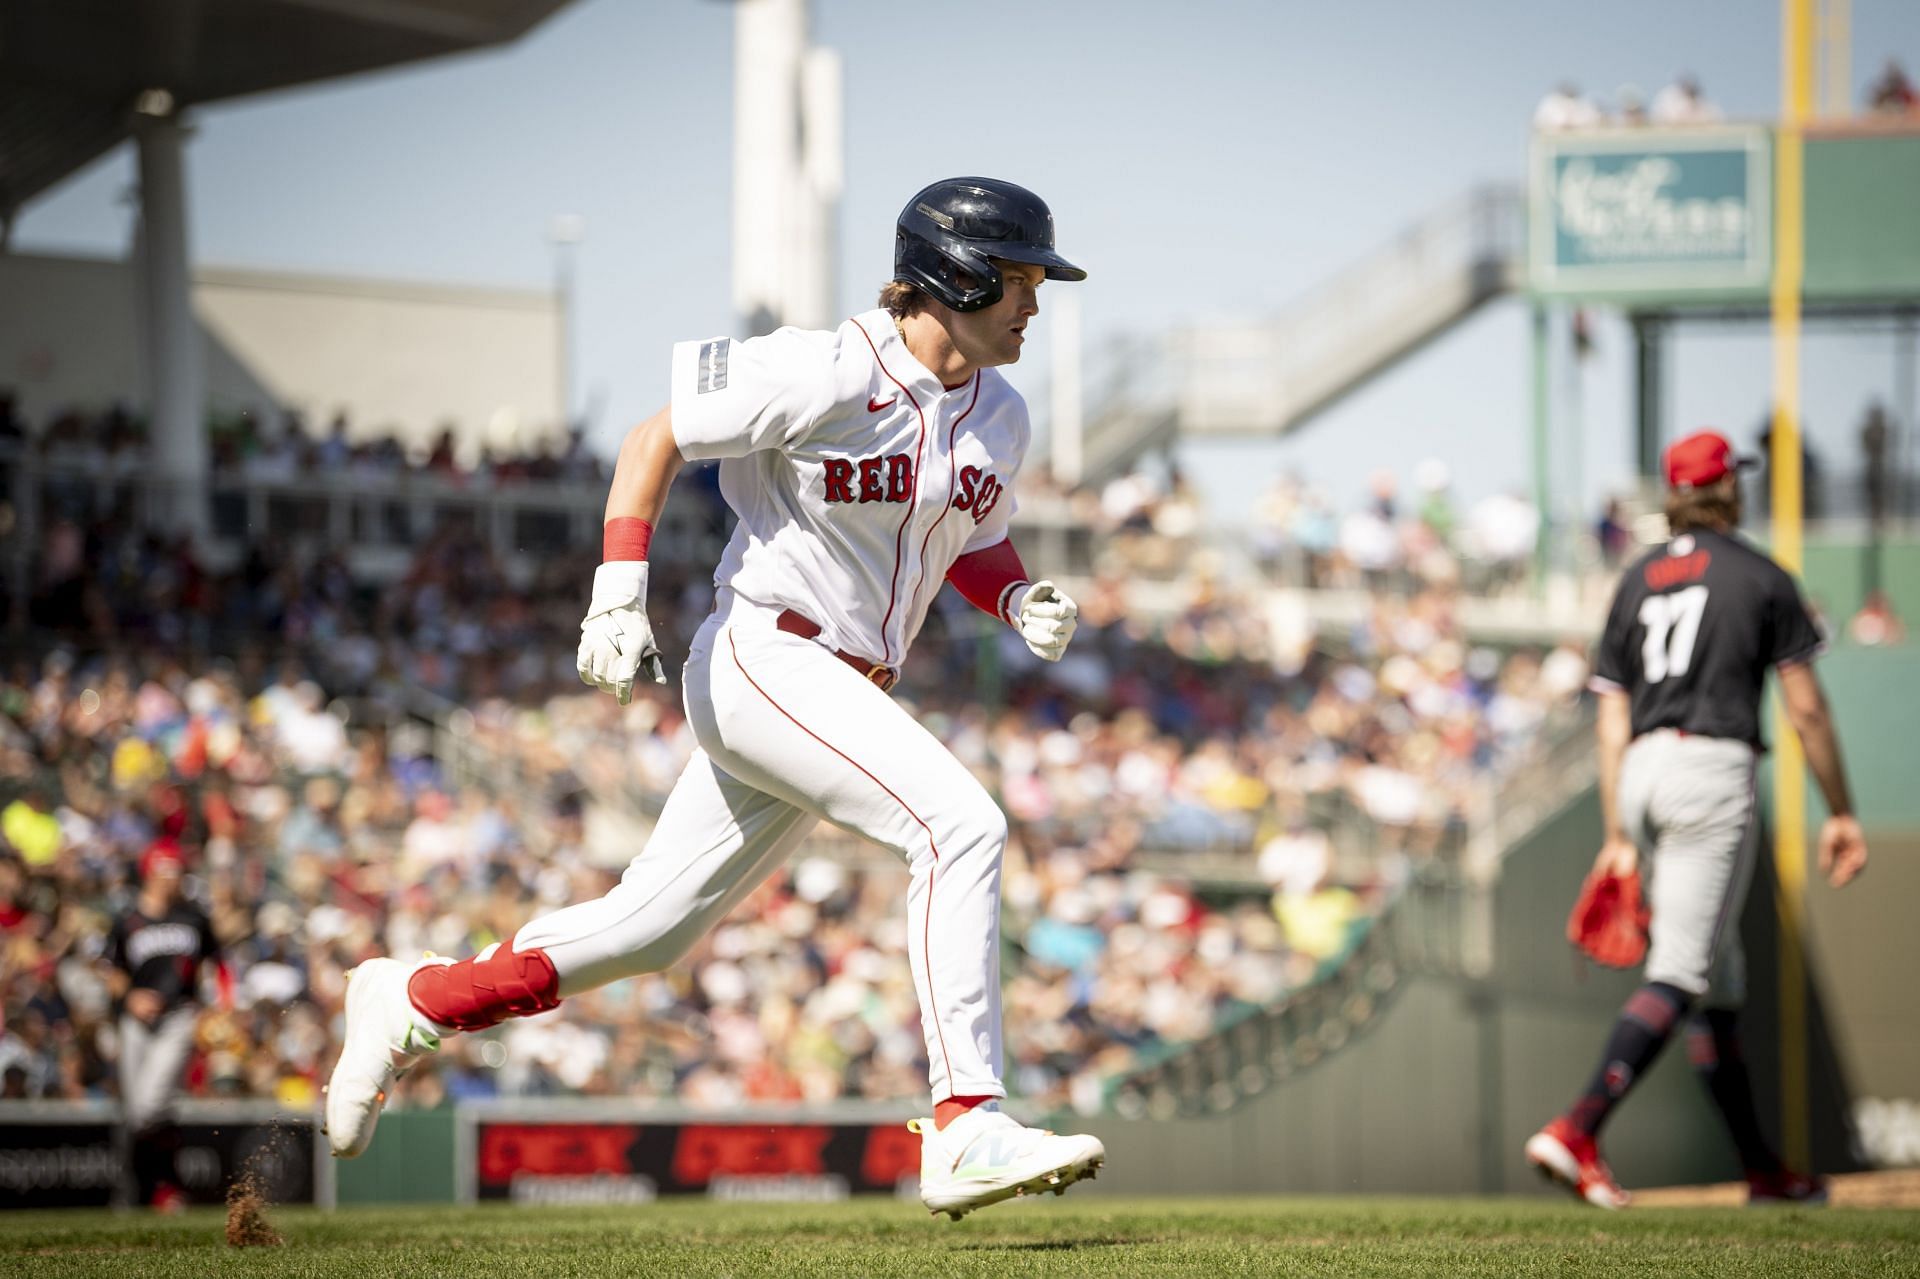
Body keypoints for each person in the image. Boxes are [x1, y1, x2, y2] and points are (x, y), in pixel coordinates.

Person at [326, 177, 1106, 1219]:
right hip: (764, 657)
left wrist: (1011, 594)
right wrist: (617, 590)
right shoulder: (825, 362)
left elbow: (970, 531)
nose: (1033, 304)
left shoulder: (999, 414)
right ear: (955, 272)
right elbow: (657, 437)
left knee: (648, 931)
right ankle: (967, 1120)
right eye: (1017, 278)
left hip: (838, 688)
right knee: (960, 824)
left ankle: (413, 999)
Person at [1525, 429, 1868, 1208]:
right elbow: (1807, 711)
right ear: (1729, 490)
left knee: (1719, 982)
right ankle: (1578, 1128)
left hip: (1641, 770)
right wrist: (1842, 810)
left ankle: (1763, 1169)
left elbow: (1610, 720)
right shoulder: (1758, 574)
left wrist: (1618, 831)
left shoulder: (1637, 578)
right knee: (1681, 970)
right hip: (1710, 769)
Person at [105, 842, 223, 1209]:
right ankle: (155, 1188)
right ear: (150, 872)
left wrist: (216, 1007)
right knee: (142, 1112)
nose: (174, 878)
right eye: (167, 870)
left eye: (177, 870)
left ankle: (155, 1188)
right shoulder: (127, 920)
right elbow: (111, 971)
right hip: (135, 1021)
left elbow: (215, 962)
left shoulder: (194, 918)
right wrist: (131, 998)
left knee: (147, 1105)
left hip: (177, 1016)